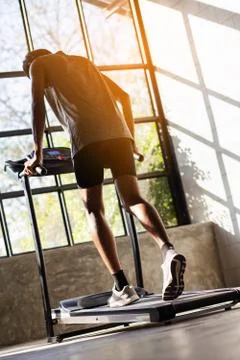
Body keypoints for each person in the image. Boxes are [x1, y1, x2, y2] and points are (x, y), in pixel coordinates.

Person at [22, 49, 186, 307]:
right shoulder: (82, 62)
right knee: (133, 199)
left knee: (94, 210)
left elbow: (36, 104)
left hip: (86, 140)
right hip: (119, 136)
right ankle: (168, 251)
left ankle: (122, 286)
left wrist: (38, 152)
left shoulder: (38, 65)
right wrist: (131, 142)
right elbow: (124, 97)